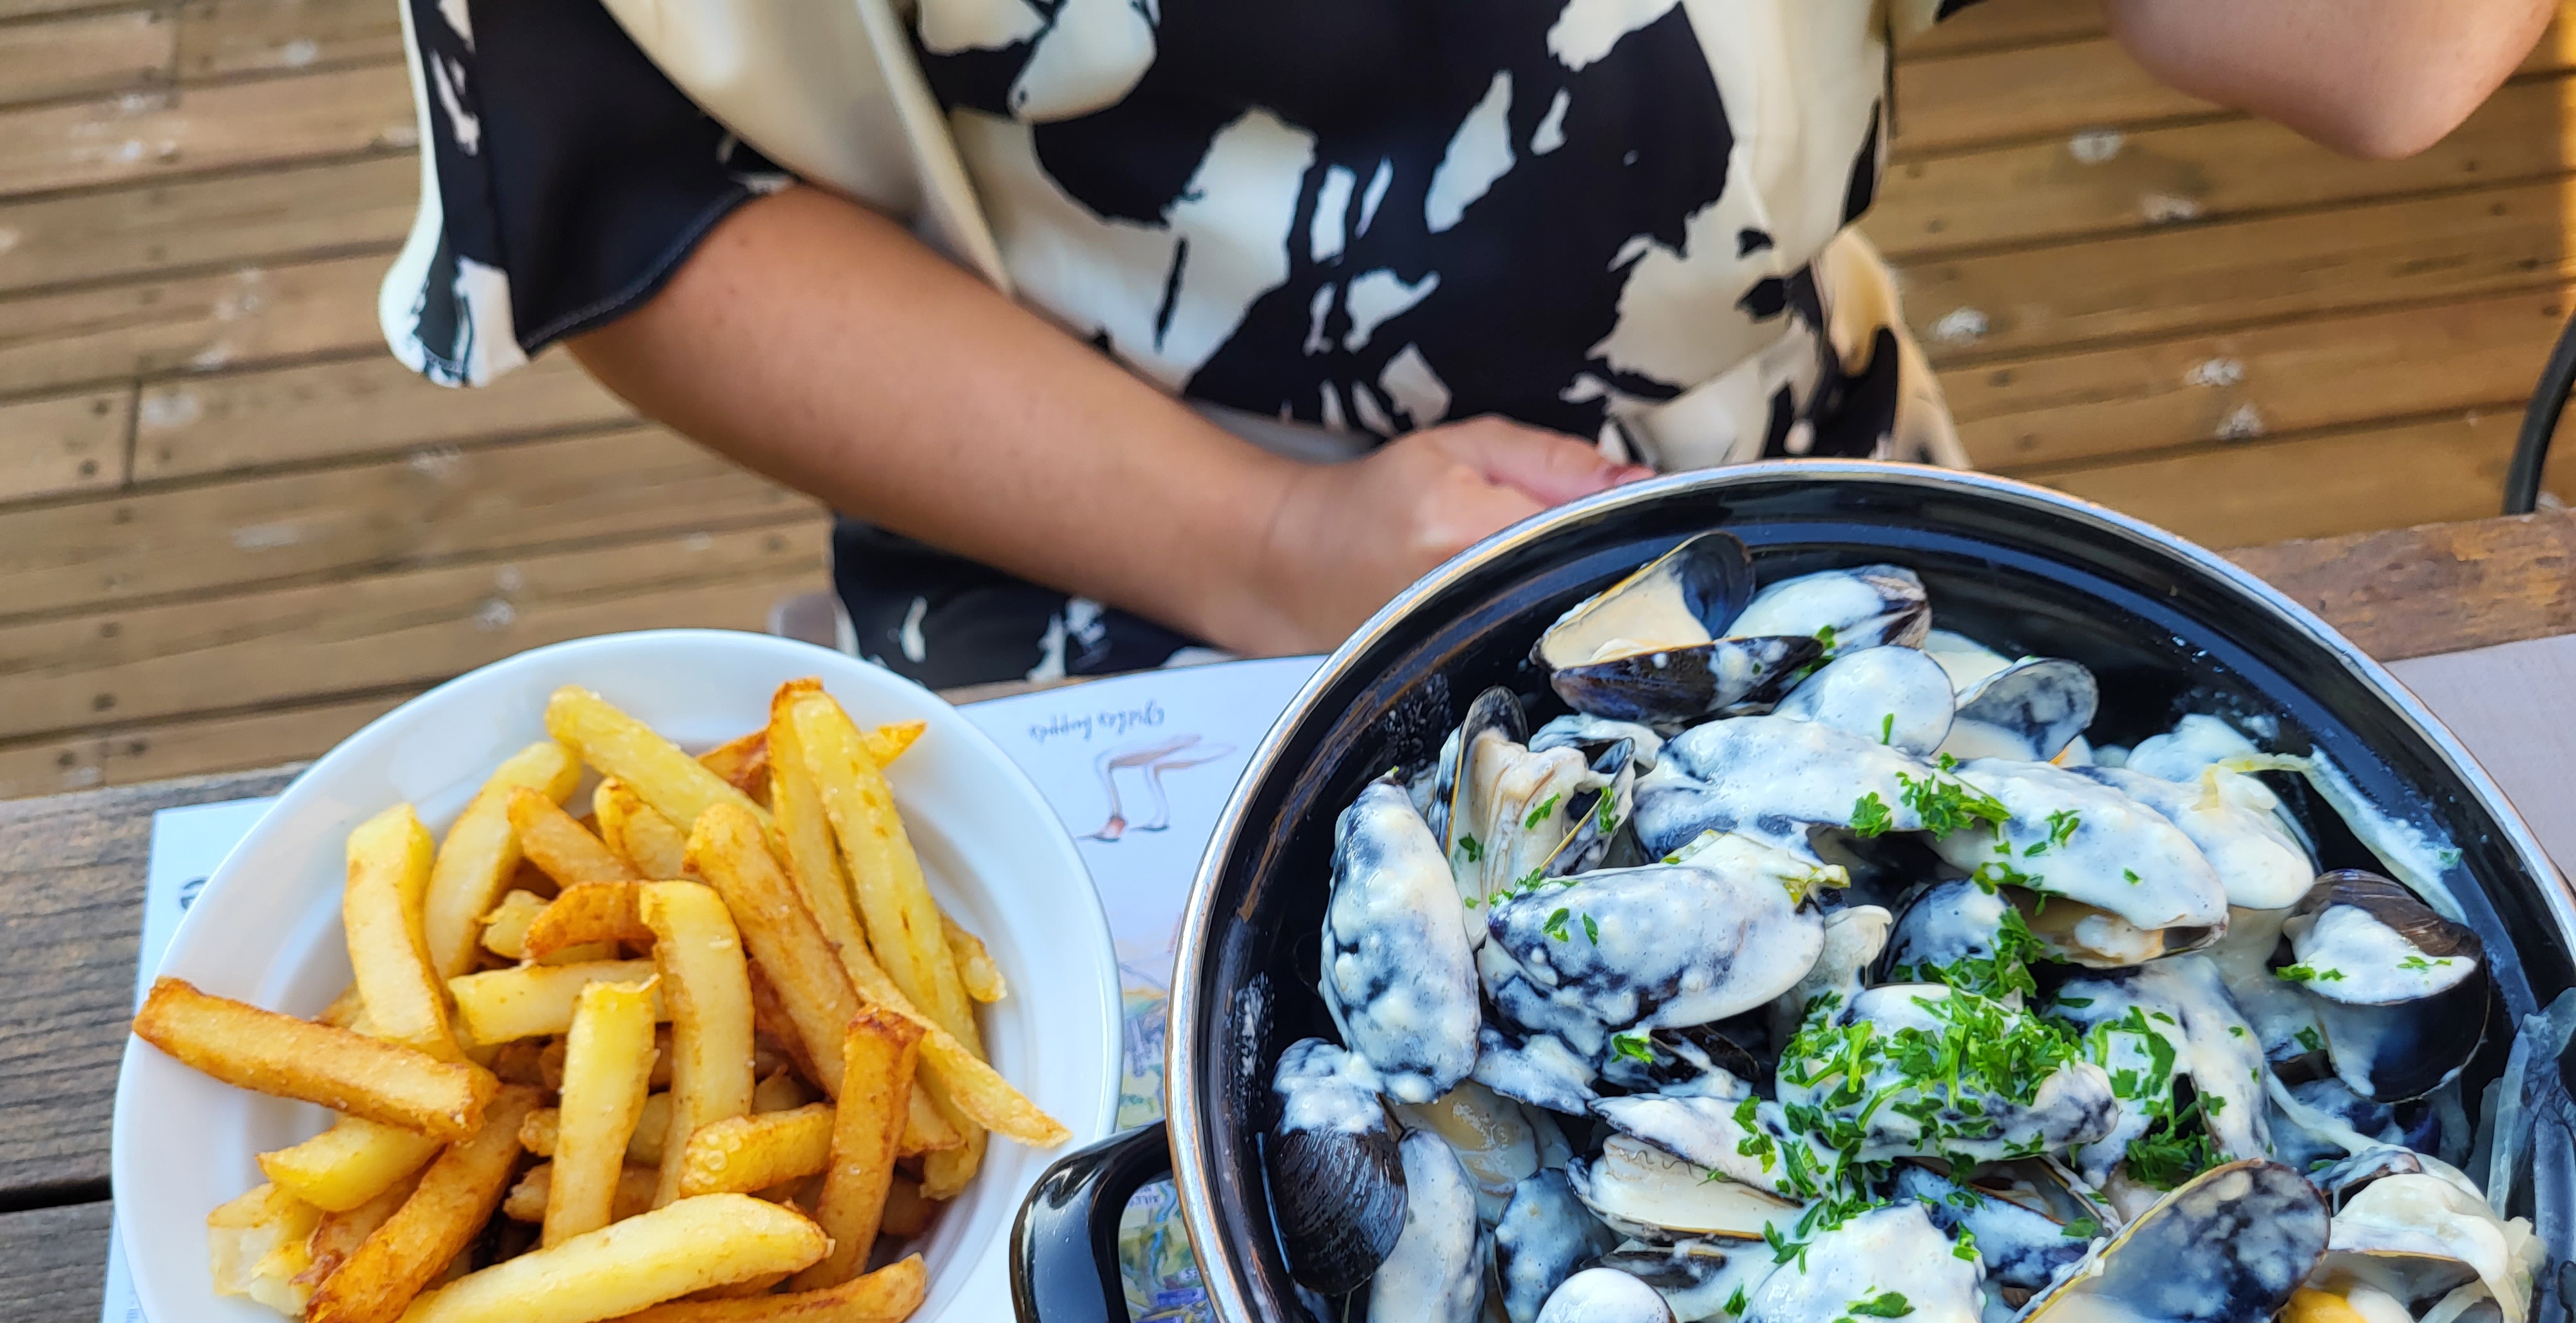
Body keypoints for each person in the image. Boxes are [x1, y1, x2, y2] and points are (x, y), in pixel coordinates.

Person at [384, 0, 2553, 689]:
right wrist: (1265, 544)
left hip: (1792, 471)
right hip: (1093, 568)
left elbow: (2353, 52)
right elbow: (627, 207)